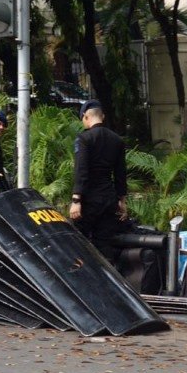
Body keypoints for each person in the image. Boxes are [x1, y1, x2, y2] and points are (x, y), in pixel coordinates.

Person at [69, 100, 127, 262]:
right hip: (109, 198)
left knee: (78, 241)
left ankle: (81, 278)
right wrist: (122, 200)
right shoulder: (117, 140)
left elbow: (82, 170)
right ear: (103, 116)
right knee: (105, 245)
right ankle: (108, 279)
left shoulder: (84, 139)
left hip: (89, 200)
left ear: (86, 117)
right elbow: (120, 173)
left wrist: (76, 199)